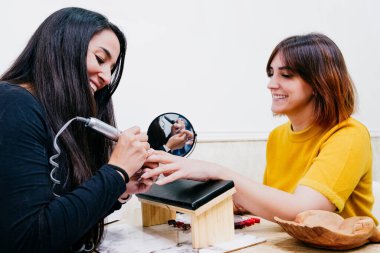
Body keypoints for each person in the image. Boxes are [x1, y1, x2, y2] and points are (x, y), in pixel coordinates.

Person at [142, 33, 378, 225]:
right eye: (271, 73)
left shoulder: (349, 135)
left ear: (320, 83)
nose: (271, 84)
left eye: (286, 75)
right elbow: (277, 206)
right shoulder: (278, 137)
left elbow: (306, 214)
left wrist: (217, 171)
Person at [0, 7, 156, 253]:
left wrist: (119, 188)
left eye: (112, 68)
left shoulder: (51, 117)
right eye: (100, 59)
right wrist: (116, 171)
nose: (106, 77)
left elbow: (63, 223)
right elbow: (28, 240)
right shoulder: (13, 104)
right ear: (64, 46)